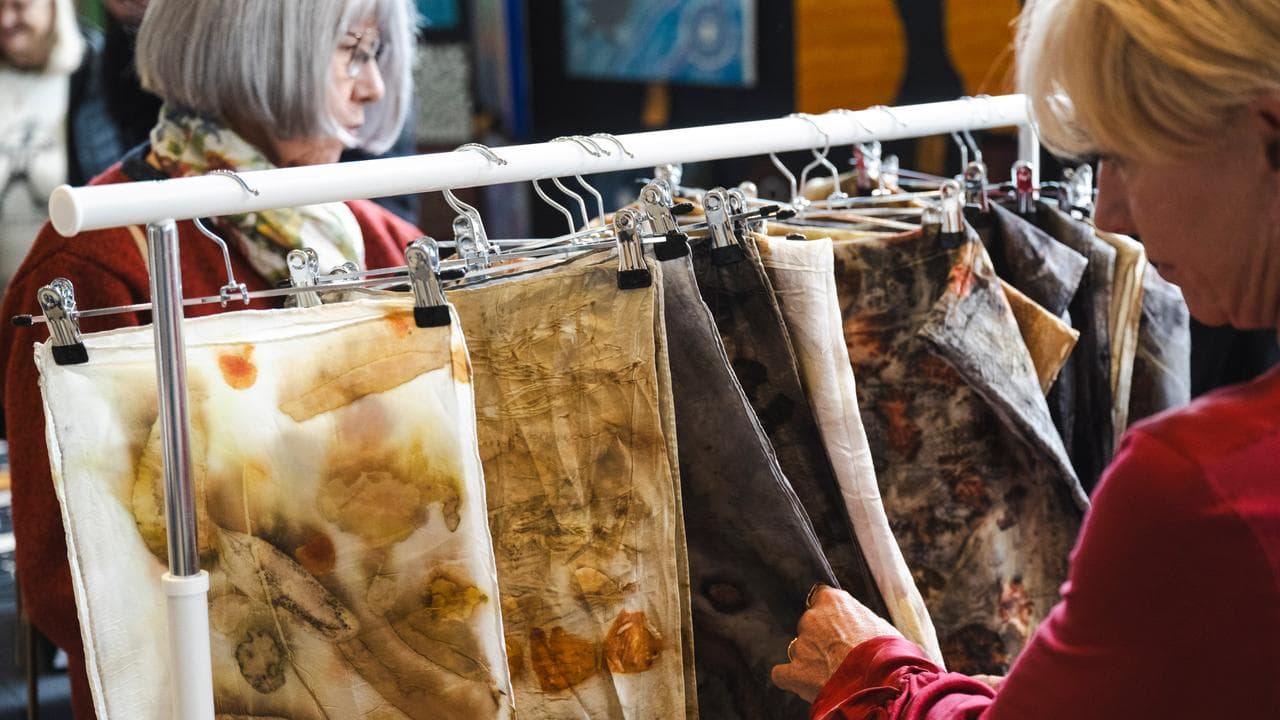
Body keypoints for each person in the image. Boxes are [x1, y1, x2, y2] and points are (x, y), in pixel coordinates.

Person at [773, 0, 1280, 718]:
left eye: (1126, 156)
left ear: (1270, 134)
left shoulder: (1201, 490)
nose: (1106, 214)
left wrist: (875, 673)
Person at [0, 0, 421, 716]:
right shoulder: (94, 266)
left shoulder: (380, 244)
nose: (373, 88)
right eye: (353, 51)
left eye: (379, 55)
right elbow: (68, 580)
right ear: (253, 49)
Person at [0, 0, 85, 288]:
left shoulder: (92, 77)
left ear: (55, 8)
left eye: (19, 7)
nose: (6, 21)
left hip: (72, 286)